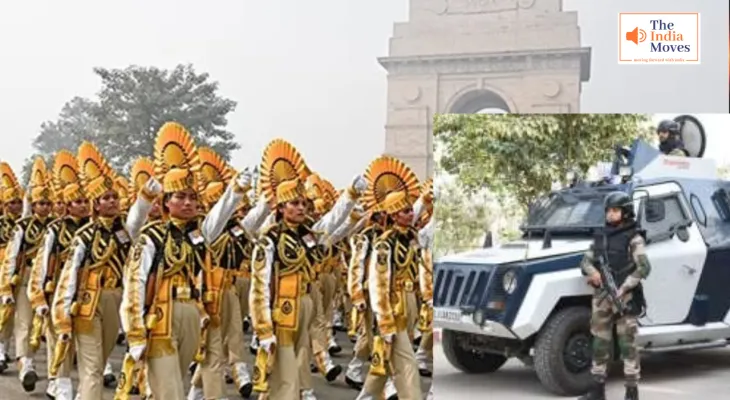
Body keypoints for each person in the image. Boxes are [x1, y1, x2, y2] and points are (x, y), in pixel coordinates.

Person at [120, 122, 251, 398]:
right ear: (166, 201)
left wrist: (236, 191)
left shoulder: (198, 234)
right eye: (180, 197)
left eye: (193, 197)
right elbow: (136, 284)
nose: (189, 203)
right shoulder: (151, 237)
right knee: (169, 390)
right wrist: (134, 332)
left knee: (170, 384)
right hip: (161, 316)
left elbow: (220, 216)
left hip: (193, 314)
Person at [248, 138, 366, 400]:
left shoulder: (308, 236)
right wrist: (263, 328)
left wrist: (350, 197)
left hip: (306, 304)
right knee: (284, 368)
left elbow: (333, 224)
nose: (302, 208)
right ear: (280, 208)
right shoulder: (269, 240)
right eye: (294, 203)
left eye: (304, 203)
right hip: (283, 309)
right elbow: (259, 288)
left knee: (296, 360)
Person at [50, 141, 156, 399]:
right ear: (95, 204)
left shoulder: (125, 230)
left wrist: (146, 197)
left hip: (116, 299)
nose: (111, 202)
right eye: (105, 199)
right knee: (92, 367)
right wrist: (63, 316)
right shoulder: (84, 236)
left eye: (114, 197)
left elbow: (137, 217)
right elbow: (69, 277)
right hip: (88, 304)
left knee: (103, 356)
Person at [355, 155, 423, 400]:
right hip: (393, 310)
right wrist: (384, 321)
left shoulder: (411, 238)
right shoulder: (385, 244)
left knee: (382, 364)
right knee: (407, 366)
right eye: (406, 210)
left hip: (409, 307)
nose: (411, 213)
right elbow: (378, 285)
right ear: (394, 215)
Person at [27, 150, 90, 400]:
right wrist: (40, 297)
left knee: (83, 343)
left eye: (87, 201)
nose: (83, 206)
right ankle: (60, 385)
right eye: (78, 202)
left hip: (87, 291)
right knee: (59, 337)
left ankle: (77, 385)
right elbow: (44, 264)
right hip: (58, 291)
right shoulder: (55, 229)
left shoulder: (95, 229)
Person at [578, 191, 651, 400]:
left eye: (615, 210)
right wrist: (594, 274)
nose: (610, 214)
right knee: (600, 343)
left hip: (624, 299)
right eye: (608, 210)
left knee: (628, 345)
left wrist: (626, 286)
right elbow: (585, 261)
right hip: (601, 299)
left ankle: (631, 391)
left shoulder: (634, 238)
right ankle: (597, 390)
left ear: (626, 211)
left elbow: (644, 268)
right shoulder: (601, 236)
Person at [0, 157, 54, 393]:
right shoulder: (22, 227)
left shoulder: (56, 226)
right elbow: (12, 256)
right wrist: (7, 284)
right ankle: (25, 363)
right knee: (23, 321)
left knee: (51, 326)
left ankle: (56, 375)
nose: (44, 207)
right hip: (25, 278)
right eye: (39, 203)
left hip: (51, 280)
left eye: (47, 203)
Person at [0, 162, 26, 373]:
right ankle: (1, 350)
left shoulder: (26, 225)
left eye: (18, 202)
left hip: (21, 272)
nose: (15, 206)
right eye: (11, 202)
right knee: (4, 313)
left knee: (20, 314)